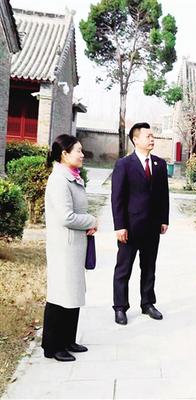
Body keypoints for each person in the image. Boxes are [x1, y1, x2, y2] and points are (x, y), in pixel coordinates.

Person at [43, 134, 97, 362]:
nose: (82, 155)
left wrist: (87, 223)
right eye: (78, 151)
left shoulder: (72, 176)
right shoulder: (59, 180)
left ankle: (67, 340)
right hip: (63, 247)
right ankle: (52, 346)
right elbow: (66, 217)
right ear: (64, 154)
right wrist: (91, 220)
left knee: (73, 292)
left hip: (74, 245)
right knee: (60, 294)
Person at [111, 122, 169, 325]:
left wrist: (164, 219)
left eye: (153, 136)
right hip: (130, 227)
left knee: (149, 267)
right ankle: (120, 307)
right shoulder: (124, 164)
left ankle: (147, 303)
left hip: (152, 226)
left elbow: (163, 194)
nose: (152, 139)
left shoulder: (159, 164)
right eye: (148, 136)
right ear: (135, 140)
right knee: (123, 269)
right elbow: (117, 197)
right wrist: (120, 226)